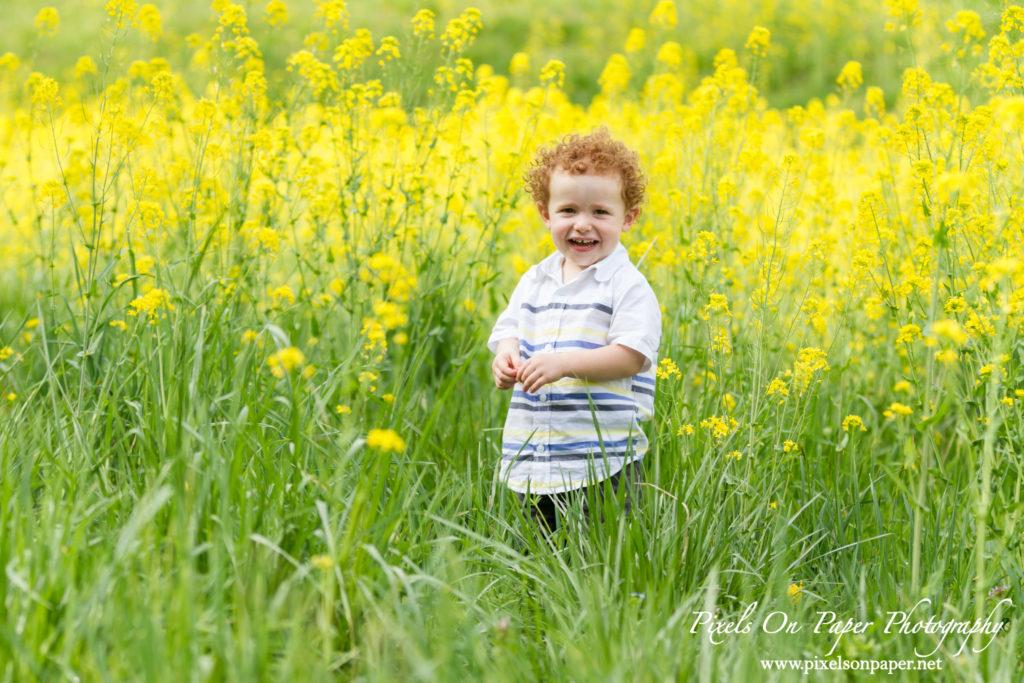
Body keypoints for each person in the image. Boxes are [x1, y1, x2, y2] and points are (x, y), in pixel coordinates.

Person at [488, 128, 661, 537]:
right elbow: (510, 329)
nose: (583, 225)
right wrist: (506, 357)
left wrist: (564, 364)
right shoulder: (535, 280)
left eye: (600, 212)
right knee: (537, 555)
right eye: (568, 210)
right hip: (538, 456)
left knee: (601, 555)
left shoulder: (628, 286)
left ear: (628, 218)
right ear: (545, 214)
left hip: (605, 463)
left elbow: (630, 356)